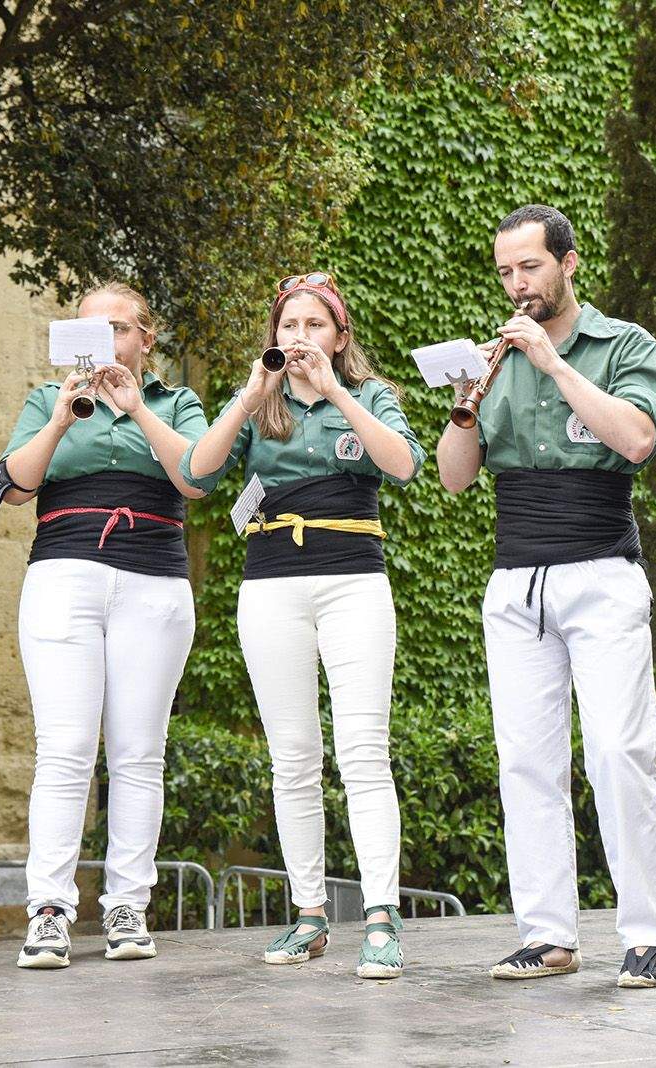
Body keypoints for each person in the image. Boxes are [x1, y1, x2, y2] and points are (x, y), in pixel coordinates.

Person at [436, 204, 656, 989]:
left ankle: (645, 936)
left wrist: (553, 363)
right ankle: (548, 935)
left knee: (617, 750)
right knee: (526, 762)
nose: (516, 284)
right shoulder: (496, 356)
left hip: (602, 572)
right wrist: (467, 394)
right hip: (516, 582)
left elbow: (637, 440)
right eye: (505, 271)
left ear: (568, 265)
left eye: (530, 267)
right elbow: (454, 474)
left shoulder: (623, 344)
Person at [180, 272, 423, 979]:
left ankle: (380, 916)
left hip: (353, 583)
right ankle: (310, 915)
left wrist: (339, 392)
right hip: (271, 590)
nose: (300, 338)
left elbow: (404, 466)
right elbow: (198, 473)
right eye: (289, 326)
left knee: (364, 751)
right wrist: (250, 395)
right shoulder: (263, 404)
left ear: (340, 336)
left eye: (315, 325)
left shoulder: (370, 395)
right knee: (293, 757)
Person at [0, 283, 208, 969]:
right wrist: (65, 418)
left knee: (138, 753)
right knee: (66, 748)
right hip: (63, 576)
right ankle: (49, 909)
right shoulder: (49, 398)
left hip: (154, 581)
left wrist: (134, 406)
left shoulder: (176, 401)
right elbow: (13, 485)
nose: (107, 344)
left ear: (145, 340)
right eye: (91, 332)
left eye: (119, 331)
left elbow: (195, 476)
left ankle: (128, 905)